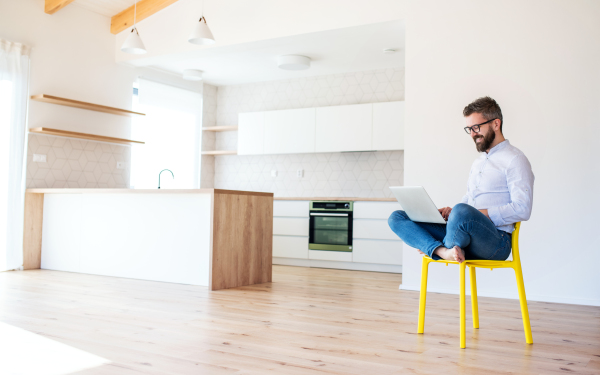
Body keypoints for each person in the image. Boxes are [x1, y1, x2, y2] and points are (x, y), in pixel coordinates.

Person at [388, 96, 534, 263]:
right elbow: (469, 200)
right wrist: (453, 214)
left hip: (496, 241)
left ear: (496, 124)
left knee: (461, 211)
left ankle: (433, 247)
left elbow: (522, 208)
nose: (472, 134)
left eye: (477, 127)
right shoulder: (478, 162)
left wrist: (470, 214)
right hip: (466, 235)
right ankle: (443, 251)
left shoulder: (515, 159)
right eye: (469, 129)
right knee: (397, 217)